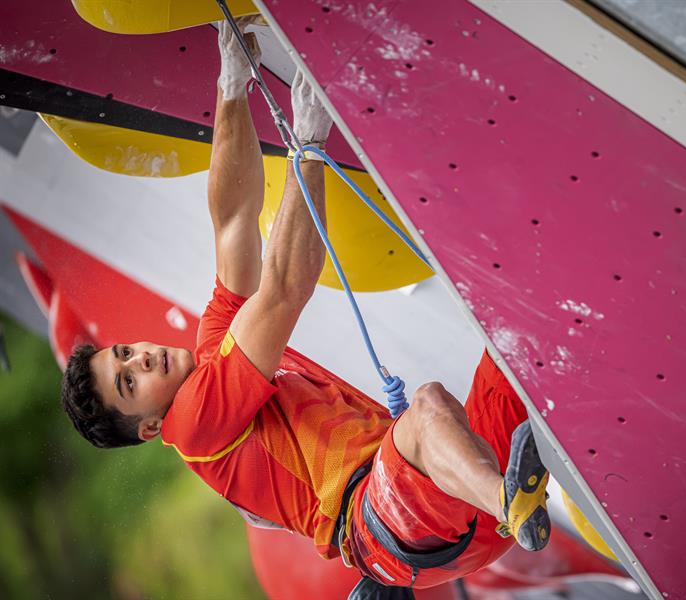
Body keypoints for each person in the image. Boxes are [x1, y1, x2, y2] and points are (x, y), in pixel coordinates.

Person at [60, 18, 550, 594]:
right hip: (397, 520)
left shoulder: (214, 343)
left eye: (125, 353)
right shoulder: (192, 422)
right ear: (147, 427)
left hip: (454, 512)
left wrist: (231, 85)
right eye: (128, 382)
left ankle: (509, 500)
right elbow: (287, 287)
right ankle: (509, 500)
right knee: (426, 408)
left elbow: (234, 220)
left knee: (521, 342)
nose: (140, 360)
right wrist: (308, 147)